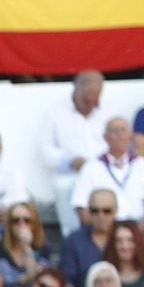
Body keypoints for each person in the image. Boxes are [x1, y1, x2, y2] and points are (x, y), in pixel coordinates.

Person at [41, 70, 111, 235]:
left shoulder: (108, 110)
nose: (91, 104)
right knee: (62, 186)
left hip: (102, 172)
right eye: (86, 99)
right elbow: (44, 149)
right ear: (75, 89)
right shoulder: (56, 111)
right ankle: (72, 237)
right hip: (72, 173)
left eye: (95, 100)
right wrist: (69, 160)